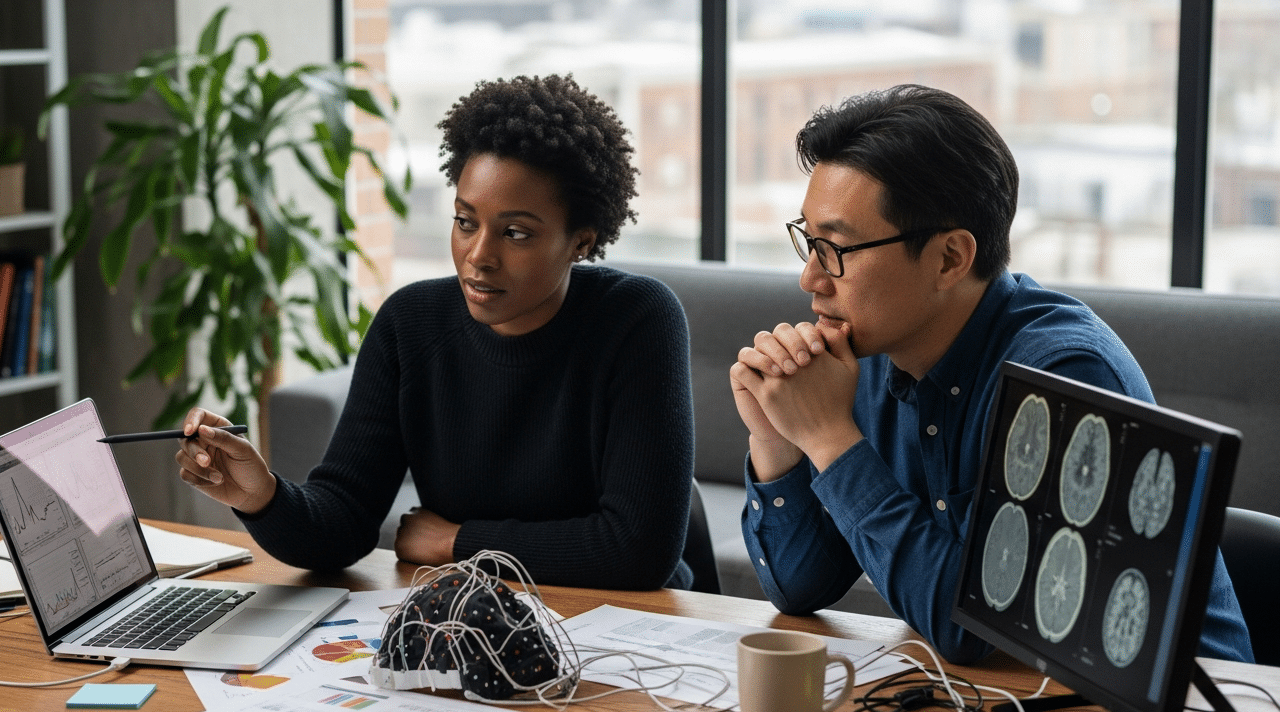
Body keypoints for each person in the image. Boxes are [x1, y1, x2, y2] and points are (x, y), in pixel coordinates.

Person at [729, 84, 1253, 664]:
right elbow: (799, 588)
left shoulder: (1067, 374)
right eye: (808, 241)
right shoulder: (868, 356)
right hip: (1004, 707)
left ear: (951, 258)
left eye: (835, 248)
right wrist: (778, 442)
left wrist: (830, 438)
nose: (810, 279)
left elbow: (986, 633)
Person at [175, 74, 695, 590]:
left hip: (632, 624)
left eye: (515, 233)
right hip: (473, 619)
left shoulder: (638, 320)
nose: (478, 255)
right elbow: (344, 522)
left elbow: (637, 551)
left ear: (581, 241)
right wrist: (262, 497)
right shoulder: (410, 324)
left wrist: (456, 542)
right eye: (466, 222)